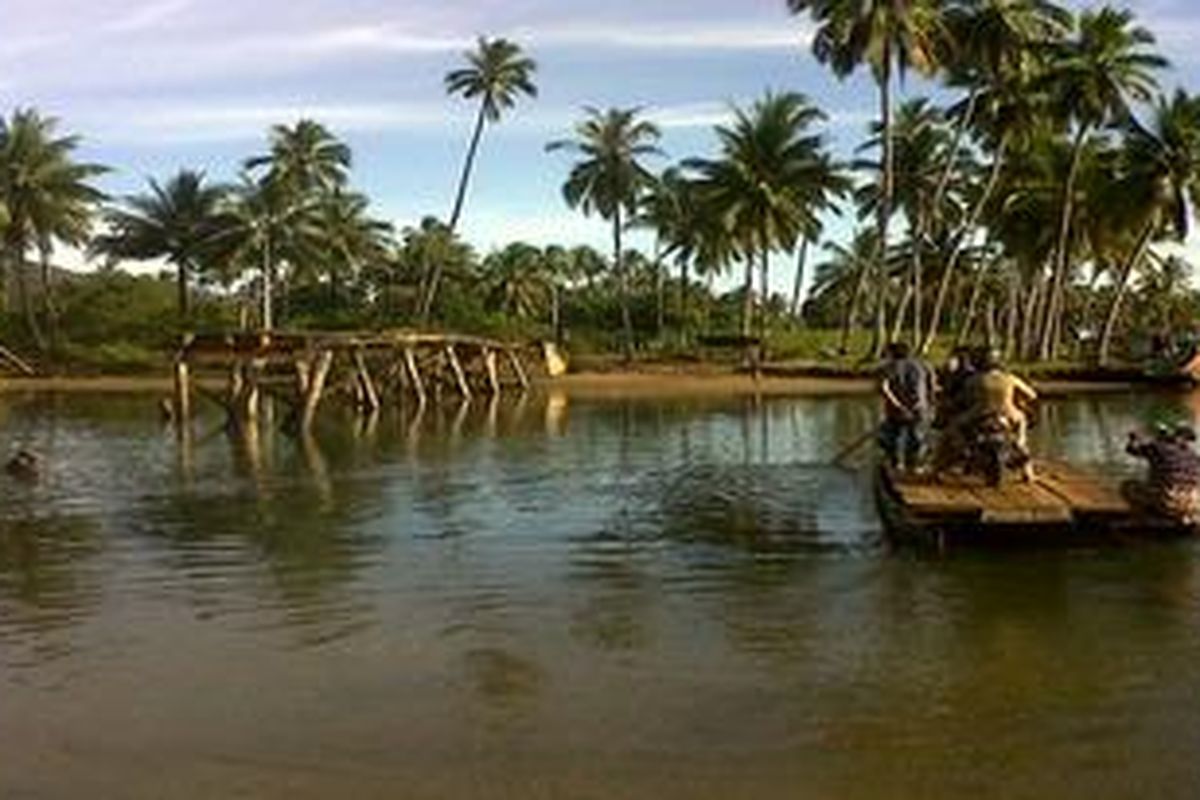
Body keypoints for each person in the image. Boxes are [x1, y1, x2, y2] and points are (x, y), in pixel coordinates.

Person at [934, 348, 1038, 481]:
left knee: (950, 431)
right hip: (1009, 414)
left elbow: (963, 399)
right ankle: (1028, 473)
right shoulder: (1010, 378)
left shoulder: (974, 380)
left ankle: (941, 466)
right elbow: (1032, 395)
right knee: (1021, 440)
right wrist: (1019, 401)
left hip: (978, 414)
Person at [1123, 424, 1200, 524]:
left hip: (1169, 501)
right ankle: (1187, 516)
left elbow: (1132, 449)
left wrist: (1134, 438)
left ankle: (1144, 520)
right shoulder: (1193, 456)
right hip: (1194, 504)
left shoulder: (1158, 447)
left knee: (1128, 486)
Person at [878, 341, 935, 470]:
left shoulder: (891, 367)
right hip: (919, 408)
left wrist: (898, 405)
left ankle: (897, 464)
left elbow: (883, 388)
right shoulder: (925, 365)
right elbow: (931, 387)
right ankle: (915, 466)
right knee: (917, 439)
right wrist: (930, 406)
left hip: (898, 410)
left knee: (893, 437)